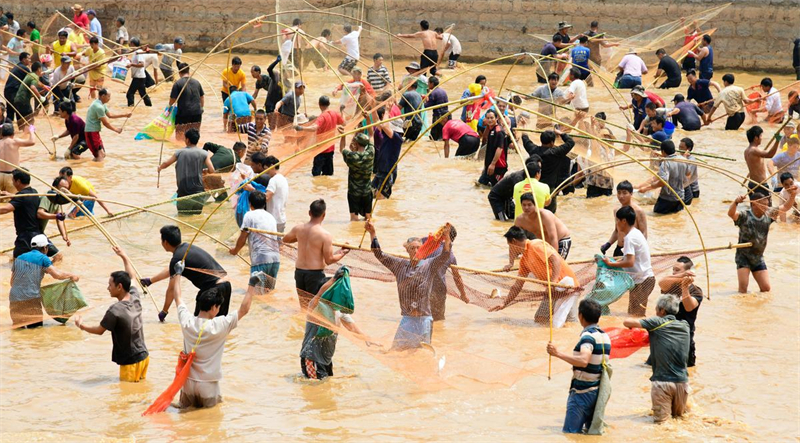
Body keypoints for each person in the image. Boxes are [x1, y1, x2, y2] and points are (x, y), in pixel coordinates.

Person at [172, 254, 254, 409]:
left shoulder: (187, 321)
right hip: (208, 385)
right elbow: (244, 310)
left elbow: (178, 297)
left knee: (184, 416)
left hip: (187, 382)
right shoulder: (220, 325)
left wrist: (178, 273)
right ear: (214, 307)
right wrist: (251, 286)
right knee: (211, 420)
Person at [365, 221, 454, 349]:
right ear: (407, 250)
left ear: (423, 249)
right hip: (407, 319)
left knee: (421, 353)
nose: (416, 251)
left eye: (418, 248)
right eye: (412, 248)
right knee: (396, 352)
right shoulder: (399, 265)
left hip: (423, 320)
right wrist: (372, 233)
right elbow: (379, 254)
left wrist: (447, 237)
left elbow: (445, 255)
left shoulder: (429, 265)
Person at [74, 246, 150, 381]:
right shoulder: (135, 297)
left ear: (119, 287)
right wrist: (124, 256)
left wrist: (81, 325)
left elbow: (99, 331)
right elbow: (132, 277)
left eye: (110, 285)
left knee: (128, 392)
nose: (108, 288)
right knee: (140, 389)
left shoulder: (115, 310)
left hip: (130, 362)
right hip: (144, 356)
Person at [546, 299, 611, 434]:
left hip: (582, 393)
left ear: (580, 316)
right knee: (590, 434)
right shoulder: (604, 336)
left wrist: (557, 353)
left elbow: (583, 360)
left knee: (570, 433)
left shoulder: (587, 337)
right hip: (597, 391)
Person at [623, 295, 691, 423]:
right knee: (678, 421)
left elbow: (627, 322)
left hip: (662, 383)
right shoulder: (685, 325)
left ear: (662, 311)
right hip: (683, 383)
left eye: (656, 309)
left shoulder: (657, 322)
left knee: (661, 424)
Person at [143, 225, 231, 322]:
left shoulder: (177, 258)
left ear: (165, 242)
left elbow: (172, 289)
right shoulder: (186, 248)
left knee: (199, 325)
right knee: (219, 324)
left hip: (213, 288)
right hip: (226, 284)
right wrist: (150, 281)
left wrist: (164, 311)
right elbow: (172, 270)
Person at [300, 266, 372, 379]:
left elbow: (352, 328)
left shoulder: (339, 311)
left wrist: (366, 339)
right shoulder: (315, 308)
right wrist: (334, 279)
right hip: (311, 358)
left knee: (326, 384)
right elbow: (318, 296)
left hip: (326, 359)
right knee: (313, 385)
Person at [497, 228, 578, 319]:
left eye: (510, 246)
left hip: (568, 285)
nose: (510, 251)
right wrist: (504, 303)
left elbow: (556, 260)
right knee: (540, 318)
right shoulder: (524, 260)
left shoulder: (535, 245)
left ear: (514, 241)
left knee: (570, 320)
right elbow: (518, 285)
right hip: (552, 290)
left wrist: (553, 283)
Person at [283, 199, 350, 309]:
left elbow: (285, 239)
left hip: (299, 272)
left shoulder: (298, 228)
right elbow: (329, 260)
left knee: (304, 306)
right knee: (314, 308)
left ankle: (301, 320)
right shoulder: (325, 235)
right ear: (324, 215)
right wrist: (343, 253)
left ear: (309, 213)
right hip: (314, 275)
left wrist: (299, 238)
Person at [728, 187, 797, 293]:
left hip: (758, 257)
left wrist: (792, 195)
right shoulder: (744, 215)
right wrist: (736, 202)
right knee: (743, 289)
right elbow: (731, 214)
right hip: (743, 257)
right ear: (754, 204)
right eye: (763, 205)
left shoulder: (768, 214)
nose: (766, 207)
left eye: (767, 204)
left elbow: (785, 207)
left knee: (766, 288)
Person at [8, 234, 79, 328]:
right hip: (31, 299)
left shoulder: (19, 258)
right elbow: (57, 275)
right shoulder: (43, 258)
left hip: (14, 298)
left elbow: (12, 282)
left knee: (18, 329)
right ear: (45, 248)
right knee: (36, 330)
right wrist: (72, 275)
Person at [601, 206, 654, 316]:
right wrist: (614, 260)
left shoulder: (630, 238)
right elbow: (629, 258)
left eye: (617, 220)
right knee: (632, 313)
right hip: (643, 279)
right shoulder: (636, 233)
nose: (616, 224)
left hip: (642, 281)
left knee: (636, 315)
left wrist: (611, 264)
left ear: (623, 221)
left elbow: (630, 262)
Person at [229, 191, 281, 292]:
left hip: (260, 260)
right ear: (264, 204)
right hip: (275, 259)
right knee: (268, 292)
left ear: (250, 204)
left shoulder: (249, 215)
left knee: (256, 294)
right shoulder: (271, 217)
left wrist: (235, 251)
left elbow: (243, 237)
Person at [658, 257, 702, 367]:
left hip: (684, 341)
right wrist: (680, 275)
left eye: (677, 270)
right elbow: (661, 283)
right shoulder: (670, 286)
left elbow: (689, 307)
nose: (674, 272)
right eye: (673, 269)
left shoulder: (696, 291)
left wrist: (684, 287)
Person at [157, 129, 214, 212]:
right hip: (198, 192)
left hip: (183, 192)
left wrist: (160, 168)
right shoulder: (204, 153)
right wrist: (205, 170)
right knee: (197, 216)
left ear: (187, 140)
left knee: (182, 216)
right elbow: (212, 170)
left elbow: (166, 163)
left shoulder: (179, 152)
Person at [521, 127, 575, 213]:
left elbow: (525, 139)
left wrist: (523, 127)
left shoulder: (534, 150)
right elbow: (571, 142)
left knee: (534, 213)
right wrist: (561, 133)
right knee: (550, 214)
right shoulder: (556, 152)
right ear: (552, 142)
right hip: (550, 189)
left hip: (535, 188)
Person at [510, 192, 571, 261]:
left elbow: (553, 237)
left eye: (529, 205)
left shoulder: (545, 215)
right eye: (524, 205)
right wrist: (511, 262)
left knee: (556, 264)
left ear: (535, 204)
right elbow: (513, 241)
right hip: (544, 244)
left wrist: (554, 258)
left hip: (561, 240)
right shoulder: (520, 220)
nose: (526, 208)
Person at [636, 140, 687, 214]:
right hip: (680, 198)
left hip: (667, 199)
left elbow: (663, 181)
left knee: (656, 216)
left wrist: (650, 187)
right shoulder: (683, 160)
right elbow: (688, 173)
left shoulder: (665, 164)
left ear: (663, 151)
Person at [601, 180, 648, 257]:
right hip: (619, 248)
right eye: (619, 193)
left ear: (631, 194)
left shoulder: (638, 211)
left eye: (624, 193)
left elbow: (644, 233)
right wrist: (608, 244)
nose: (621, 196)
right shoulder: (616, 210)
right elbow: (617, 231)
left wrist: (639, 250)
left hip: (632, 249)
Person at [85, 89, 130, 161]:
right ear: (103, 96)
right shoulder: (98, 107)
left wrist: (125, 115)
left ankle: (92, 166)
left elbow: (110, 115)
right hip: (91, 132)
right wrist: (116, 129)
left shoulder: (102, 104)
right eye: (108, 96)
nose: (110, 98)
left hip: (95, 132)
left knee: (102, 154)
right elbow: (105, 123)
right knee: (100, 155)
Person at [339, 129, 374, 221]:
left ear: (357, 143)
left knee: (354, 219)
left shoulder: (351, 156)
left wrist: (343, 135)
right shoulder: (371, 153)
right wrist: (368, 121)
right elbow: (371, 134)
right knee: (368, 218)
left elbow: (342, 149)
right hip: (367, 191)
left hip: (353, 192)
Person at [169, 62, 205, 140]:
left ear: (179, 72)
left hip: (183, 114)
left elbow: (173, 100)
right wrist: (201, 108)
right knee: (194, 137)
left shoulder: (177, 84)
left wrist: (169, 108)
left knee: (180, 137)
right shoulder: (197, 82)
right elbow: (202, 97)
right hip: (197, 113)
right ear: (188, 71)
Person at [372, 115, 404, 199]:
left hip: (388, 172)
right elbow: (377, 122)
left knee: (380, 197)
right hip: (381, 170)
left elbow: (385, 126)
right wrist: (372, 109)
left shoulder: (397, 139)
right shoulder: (387, 136)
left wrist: (387, 110)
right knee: (370, 193)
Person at [744, 126, 780, 195]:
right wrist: (777, 141)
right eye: (760, 136)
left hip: (752, 184)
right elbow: (770, 154)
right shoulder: (754, 150)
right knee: (766, 202)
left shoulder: (747, 151)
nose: (761, 138)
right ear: (756, 138)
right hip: (760, 185)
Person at [477, 109, 509, 187]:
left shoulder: (499, 131)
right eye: (488, 118)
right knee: (480, 185)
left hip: (498, 166)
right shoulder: (491, 129)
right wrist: (486, 166)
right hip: (489, 166)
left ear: (496, 118)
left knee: (497, 188)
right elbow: (484, 138)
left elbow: (499, 149)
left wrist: (493, 164)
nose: (490, 120)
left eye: (492, 118)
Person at [0, 124, 35, 193]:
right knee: (12, 198)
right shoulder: (14, 142)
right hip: (12, 177)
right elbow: (32, 141)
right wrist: (32, 131)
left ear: (1, 134)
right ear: (13, 134)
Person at [13, 61, 44, 130]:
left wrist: (44, 87)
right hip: (24, 101)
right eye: (41, 69)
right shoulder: (35, 76)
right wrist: (40, 97)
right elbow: (33, 87)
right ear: (39, 69)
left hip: (17, 100)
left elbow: (38, 83)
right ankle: (30, 134)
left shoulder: (30, 75)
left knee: (21, 123)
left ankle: (23, 135)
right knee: (30, 120)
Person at [263, 155, 288, 232]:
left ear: (271, 166)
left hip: (274, 219)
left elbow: (266, 198)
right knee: (279, 239)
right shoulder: (283, 179)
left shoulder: (273, 180)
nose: (266, 172)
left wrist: (252, 190)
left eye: (266, 169)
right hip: (281, 218)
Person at [126, 39, 153, 107]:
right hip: (139, 76)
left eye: (130, 43)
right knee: (143, 94)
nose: (129, 45)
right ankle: (149, 107)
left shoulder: (139, 52)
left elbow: (142, 64)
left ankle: (130, 108)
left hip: (139, 77)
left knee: (130, 94)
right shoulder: (136, 52)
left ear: (132, 44)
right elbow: (136, 62)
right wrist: (130, 61)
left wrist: (131, 64)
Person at [425, 76, 449, 140]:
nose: (428, 85)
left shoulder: (433, 93)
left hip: (438, 116)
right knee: (444, 136)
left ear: (432, 84)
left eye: (428, 83)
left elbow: (427, 106)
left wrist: (425, 100)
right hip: (446, 115)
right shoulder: (443, 91)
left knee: (434, 137)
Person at [679, 138, 700, 205]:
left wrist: (684, 159)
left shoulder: (691, 160)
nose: (679, 149)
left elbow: (686, 176)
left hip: (692, 190)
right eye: (679, 147)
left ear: (688, 149)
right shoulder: (680, 157)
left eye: (682, 147)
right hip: (683, 187)